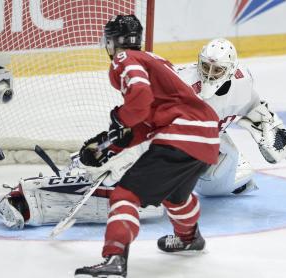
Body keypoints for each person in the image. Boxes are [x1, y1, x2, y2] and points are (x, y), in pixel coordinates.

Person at [0, 38, 286, 231]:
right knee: (149, 200)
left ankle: (238, 179)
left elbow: (257, 110)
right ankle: (57, 189)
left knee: (221, 185)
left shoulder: (242, 83)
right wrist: (117, 146)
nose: (209, 74)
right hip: (179, 145)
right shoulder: (183, 82)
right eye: (205, 67)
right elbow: (148, 122)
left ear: (230, 70)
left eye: (217, 71)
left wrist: (271, 130)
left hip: (213, 150)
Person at [73, 14, 220, 278]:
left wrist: (119, 119)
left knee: (125, 196)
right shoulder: (157, 60)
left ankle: (115, 258)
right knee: (175, 196)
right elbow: (146, 122)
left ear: (112, 42)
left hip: (181, 135)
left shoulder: (124, 59)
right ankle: (188, 237)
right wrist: (108, 147)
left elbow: (139, 100)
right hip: (206, 137)